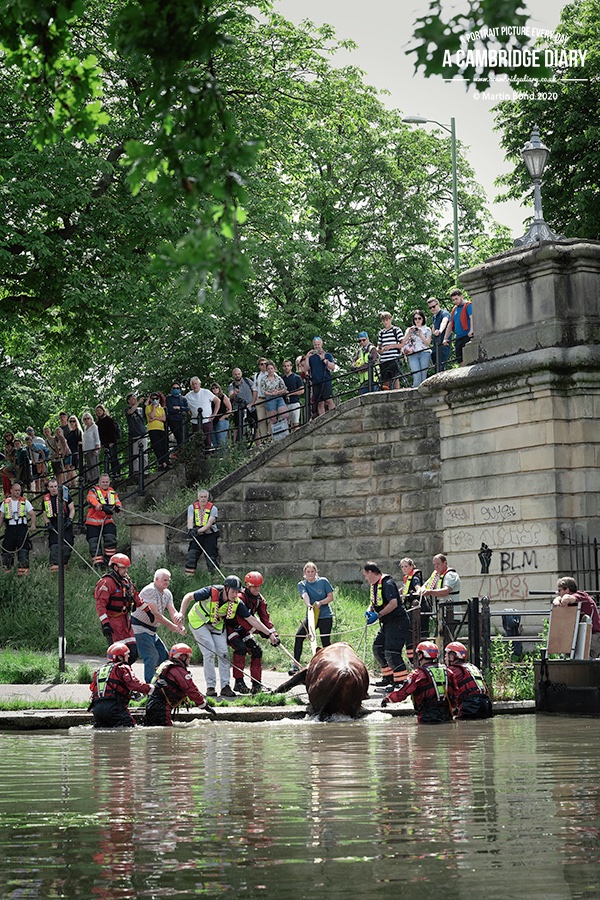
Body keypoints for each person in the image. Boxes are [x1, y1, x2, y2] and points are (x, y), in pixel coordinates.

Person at [179, 574, 275, 698]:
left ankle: (225, 687)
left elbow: (252, 619)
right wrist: (181, 613)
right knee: (209, 652)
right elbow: (188, 597)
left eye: (237, 592)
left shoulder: (237, 602)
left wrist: (270, 633)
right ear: (226, 588)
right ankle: (211, 687)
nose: (235, 595)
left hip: (217, 626)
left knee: (224, 653)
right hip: (199, 623)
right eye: (233, 591)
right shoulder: (210, 591)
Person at [226, 571, 280, 694]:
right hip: (231, 627)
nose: (257, 589)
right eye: (254, 586)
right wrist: (258, 631)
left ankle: (257, 684)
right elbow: (241, 619)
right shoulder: (239, 598)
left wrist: (273, 633)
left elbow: (265, 618)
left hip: (245, 630)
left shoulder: (260, 600)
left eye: (258, 586)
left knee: (257, 651)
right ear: (247, 585)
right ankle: (239, 682)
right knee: (240, 649)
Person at [362, 561, 411, 692]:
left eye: (366, 575)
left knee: (392, 652)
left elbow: (393, 603)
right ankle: (388, 677)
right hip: (387, 623)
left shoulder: (387, 583)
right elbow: (374, 602)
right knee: (378, 648)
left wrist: (377, 615)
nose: (366, 578)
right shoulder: (375, 585)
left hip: (398, 622)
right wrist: (369, 611)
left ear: (371, 573)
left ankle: (401, 682)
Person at [133, 568, 186, 682]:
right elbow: (156, 615)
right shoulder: (150, 591)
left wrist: (180, 623)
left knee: (163, 655)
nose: (167, 582)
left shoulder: (167, 593)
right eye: (164, 580)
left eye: (168, 580)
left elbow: (173, 611)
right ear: (156, 579)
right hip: (139, 628)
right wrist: (173, 627)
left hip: (151, 630)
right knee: (151, 656)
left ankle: (163, 683)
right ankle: (151, 687)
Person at [145, 643, 217, 726]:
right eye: (188, 657)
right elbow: (191, 689)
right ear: (182, 657)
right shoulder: (178, 670)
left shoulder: (165, 665)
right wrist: (205, 706)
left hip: (151, 705)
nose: (189, 660)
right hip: (161, 708)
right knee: (165, 733)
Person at [381, 640, 451, 724]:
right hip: (447, 714)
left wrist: (388, 699)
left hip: (427, 716)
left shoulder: (417, 674)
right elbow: (456, 692)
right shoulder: (447, 671)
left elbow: (402, 693)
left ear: (421, 655)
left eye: (418, 654)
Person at [89, 642, 151, 728]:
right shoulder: (123, 667)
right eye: (126, 655)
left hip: (97, 709)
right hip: (115, 707)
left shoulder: (99, 671)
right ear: (120, 657)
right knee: (129, 729)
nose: (129, 656)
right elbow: (133, 684)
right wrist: (151, 689)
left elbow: (93, 689)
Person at [94, 553, 142, 662]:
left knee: (132, 654)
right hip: (113, 623)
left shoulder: (126, 581)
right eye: (123, 568)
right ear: (115, 567)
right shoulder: (107, 582)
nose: (126, 571)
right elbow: (100, 605)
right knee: (118, 656)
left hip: (125, 623)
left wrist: (148, 611)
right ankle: (116, 675)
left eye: (126, 568)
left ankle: (124, 674)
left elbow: (136, 597)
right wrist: (105, 623)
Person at [289, 561, 335, 673]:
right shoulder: (302, 584)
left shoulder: (323, 581)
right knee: (299, 636)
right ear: (305, 573)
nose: (310, 574)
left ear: (316, 572)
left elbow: (330, 597)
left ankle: (329, 665)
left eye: (312, 571)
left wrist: (321, 603)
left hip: (325, 616)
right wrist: (309, 605)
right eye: (308, 572)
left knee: (325, 641)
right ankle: (296, 664)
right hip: (311, 616)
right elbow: (305, 595)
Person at [553, 576, 600, 658]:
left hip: (593, 636)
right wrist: (558, 598)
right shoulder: (572, 599)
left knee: (586, 661)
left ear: (567, 590)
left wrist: (560, 598)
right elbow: (556, 603)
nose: (558, 592)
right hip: (582, 635)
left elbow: (564, 600)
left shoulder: (581, 595)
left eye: (560, 590)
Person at [445, 641, 493, 719]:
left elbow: (448, 692)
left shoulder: (452, 671)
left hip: (471, 705)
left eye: (446, 655)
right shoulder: (472, 667)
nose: (445, 658)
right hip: (486, 704)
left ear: (452, 657)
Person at [85, 472, 122, 566]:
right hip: (93, 522)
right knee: (94, 544)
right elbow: (91, 500)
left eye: (106, 482)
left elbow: (117, 502)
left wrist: (117, 507)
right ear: (99, 482)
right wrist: (102, 507)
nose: (105, 483)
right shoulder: (93, 491)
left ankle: (109, 561)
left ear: (109, 482)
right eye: (103, 482)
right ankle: (98, 564)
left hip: (107, 520)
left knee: (110, 539)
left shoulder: (112, 492)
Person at [0, 481, 36, 575]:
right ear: (11, 491)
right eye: (15, 490)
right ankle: (7, 572)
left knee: (23, 550)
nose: (17, 492)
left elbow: (32, 514)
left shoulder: (25, 502)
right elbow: (1, 516)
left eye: (19, 490)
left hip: (22, 528)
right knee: (7, 550)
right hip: (10, 528)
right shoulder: (5, 503)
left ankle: (23, 572)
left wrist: (33, 524)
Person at [184, 488, 220, 575]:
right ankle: (188, 579)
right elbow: (190, 519)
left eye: (205, 497)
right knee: (191, 556)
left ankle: (215, 579)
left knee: (211, 558)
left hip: (209, 535)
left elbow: (209, 524)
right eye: (201, 497)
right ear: (198, 498)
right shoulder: (192, 507)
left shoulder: (213, 508)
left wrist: (197, 531)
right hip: (197, 535)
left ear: (207, 498)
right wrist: (190, 529)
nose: (203, 499)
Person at [43, 477, 75, 571]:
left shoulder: (65, 496)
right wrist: (48, 523)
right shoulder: (46, 499)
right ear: (48, 488)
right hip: (53, 523)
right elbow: (44, 513)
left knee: (66, 546)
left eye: (55, 486)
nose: (54, 488)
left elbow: (72, 509)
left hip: (65, 522)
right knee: (54, 547)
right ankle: (55, 570)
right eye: (51, 487)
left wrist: (70, 520)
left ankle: (64, 567)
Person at [184, 376, 218, 449]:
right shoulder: (188, 396)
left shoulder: (206, 392)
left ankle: (208, 457)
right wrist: (189, 412)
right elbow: (184, 405)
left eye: (196, 384)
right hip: (195, 422)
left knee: (208, 440)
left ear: (199, 384)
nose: (195, 386)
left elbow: (217, 401)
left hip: (207, 421)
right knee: (197, 441)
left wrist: (214, 414)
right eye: (193, 384)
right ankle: (199, 458)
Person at [304, 337, 336, 416]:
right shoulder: (311, 357)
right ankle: (322, 419)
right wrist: (307, 357)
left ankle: (334, 416)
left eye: (318, 344)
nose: (317, 346)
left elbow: (333, 367)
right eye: (315, 345)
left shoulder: (327, 355)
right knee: (319, 402)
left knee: (328, 400)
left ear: (321, 344)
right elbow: (306, 369)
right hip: (316, 382)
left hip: (326, 380)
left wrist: (324, 359)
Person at [442, 289, 474, 366]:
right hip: (459, 337)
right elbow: (450, 324)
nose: (455, 301)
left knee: (469, 358)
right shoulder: (454, 309)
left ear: (461, 296)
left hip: (467, 336)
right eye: (453, 300)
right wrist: (445, 338)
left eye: (456, 299)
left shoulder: (468, 305)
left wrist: (472, 330)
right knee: (460, 359)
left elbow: (472, 317)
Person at [403, 309, 432, 387]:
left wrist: (421, 335)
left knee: (423, 376)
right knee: (416, 376)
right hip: (412, 353)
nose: (417, 320)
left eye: (419, 318)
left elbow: (428, 343)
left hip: (424, 353)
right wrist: (409, 334)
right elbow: (402, 342)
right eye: (415, 319)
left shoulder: (427, 329)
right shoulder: (409, 329)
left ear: (423, 319)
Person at [228, 367, 257, 443]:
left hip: (250, 406)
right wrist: (234, 393)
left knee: (255, 426)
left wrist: (253, 402)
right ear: (233, 375)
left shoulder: (247, 381)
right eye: (235, 374)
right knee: (237, 427)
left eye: (238, 374)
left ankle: (258, 444)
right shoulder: (232, 385)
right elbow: (230, 396)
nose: (237, 376)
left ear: (241, 374)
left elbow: (255, 390)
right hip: (238, 408)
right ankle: (235, 445)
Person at [377, 311, 404, 390]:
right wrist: (380, 350)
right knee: (385, 382)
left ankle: (397, 393)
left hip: (394, 358)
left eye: (387, 320)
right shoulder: (381, 333)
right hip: (384, 360)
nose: (385, 322)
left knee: (395, 379)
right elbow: (379, 347)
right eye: (383, 320)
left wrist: (391, 346)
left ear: (390, 319)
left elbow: (402, 344)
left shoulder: (396, 330)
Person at [260, 362, 289, 436]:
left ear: (274, 369)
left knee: (285, 414)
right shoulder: (264, 379)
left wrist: (278, 392)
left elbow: (284, 388)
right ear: (266, 370)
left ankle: (286, 432)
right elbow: (263, 391)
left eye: (271, 368)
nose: (270, 370)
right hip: (270, 399)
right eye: (268, 369)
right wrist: (271, 393)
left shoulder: (278, 378)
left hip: (279, 397)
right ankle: (273, 436)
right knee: (272, 419)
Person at [95, 404, 121, 479]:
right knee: (107, 459)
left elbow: (112, 431)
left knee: (114, 458)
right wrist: (102, 444)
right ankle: (110, 475)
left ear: (103, 411)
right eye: (97, 411)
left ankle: (116, 474)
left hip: (111, 442)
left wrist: (112, 441)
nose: (99, 412)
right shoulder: (98, 423)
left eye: (100, 410)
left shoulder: (109, 420)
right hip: (105, 443)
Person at [124, 393, 148, 476]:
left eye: (135, 398)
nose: (135, 400)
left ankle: (145, 470)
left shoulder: (140, 409)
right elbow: (130, 412)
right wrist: (138, 402)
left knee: (144, 453)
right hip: (134, 435)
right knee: (135, 455)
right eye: (133, 398)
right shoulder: (127, 409)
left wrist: (146, 403)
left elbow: (146, 416)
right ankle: (136, 471)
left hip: (142, 433)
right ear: (129, 401)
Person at [144, 391, 169, 469]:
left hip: (161, 429)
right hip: (153, 429)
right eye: (153, 398)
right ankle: (161, 462)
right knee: (157, 446)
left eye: (156, 398)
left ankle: (165, 462)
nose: (155, 400)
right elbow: (151, 416)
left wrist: (155, 418)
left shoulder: (161, 408)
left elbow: (164, 418)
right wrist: (154, 408)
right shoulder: (148, 408)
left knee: (164, 445)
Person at [427, 296, 452, 372]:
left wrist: (440, 331)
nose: (432, 309)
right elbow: (433, 328)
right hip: (436, 345)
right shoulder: (434, 317)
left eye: (434, 306)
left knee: (441, 366)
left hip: (443, 344)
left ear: (438, 304)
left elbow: (444, 321)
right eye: (430, 308)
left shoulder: (444, 313)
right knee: (436, 366)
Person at [165, 382, 188, 453]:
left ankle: (184, 453)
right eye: (174, 388)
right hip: (173, 421)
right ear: (171, 389)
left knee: (185, 437)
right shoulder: (168, 398)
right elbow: (170, 410)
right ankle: (181, 453)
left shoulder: (183, 398)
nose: (176, 389)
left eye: (177, 388)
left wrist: (178, 408)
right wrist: (180, 410)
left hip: (182, 420)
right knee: (179, 437)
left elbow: (187, 409)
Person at [282, 358, 304, 430]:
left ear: (291, 367)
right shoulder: (281, 379)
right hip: (284, 404)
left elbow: (302, 390)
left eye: (288, 366)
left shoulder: (297, 377)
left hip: (294, 403)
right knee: (284, 425)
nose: (286, 367)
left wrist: (290, 393)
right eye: (285, 366)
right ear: (283, 367)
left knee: (295, 424)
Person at [252, 357, 269, 444]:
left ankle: (271, 438)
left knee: (270, 419)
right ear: (259, 366)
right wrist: (253, 401)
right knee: (261, 420)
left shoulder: (271, 372)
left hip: (269, 399)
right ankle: (264, 439)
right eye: (261, 364)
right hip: (260, 399)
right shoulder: (257, 376)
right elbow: (255, 389)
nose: (264, 366)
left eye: (265, 364)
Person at [210, 382, 232, 451]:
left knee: (221, 439)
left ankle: (224, 456)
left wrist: (222, 417)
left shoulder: (223, 397)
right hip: (213, 421)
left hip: (222, 420)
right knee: (214, 440)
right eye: (213, 388)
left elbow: (230, 409)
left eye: (216, 387)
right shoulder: (210, 399)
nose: (215, 389)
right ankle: (218, 457)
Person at [81, 412, 101, 483]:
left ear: (91, 419)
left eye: (88, 418)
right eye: (85, 419)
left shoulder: (94, 427)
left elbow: (97, 438)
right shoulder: (85, 428)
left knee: (94, 465)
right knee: (89, 466)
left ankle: (95, 479)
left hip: (92, 449)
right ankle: (91, 479)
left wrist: (96, 448)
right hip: (86, 450)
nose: (86, 420)